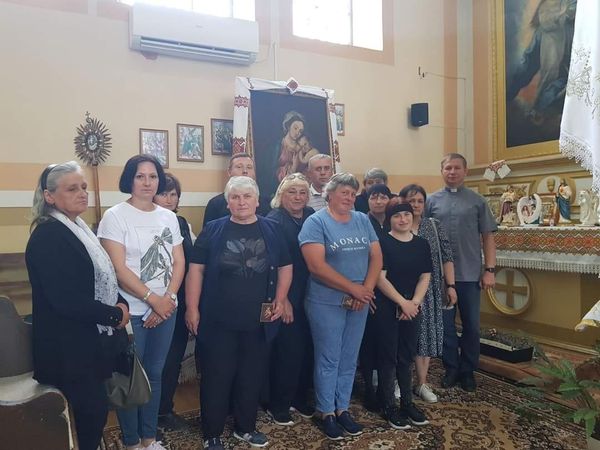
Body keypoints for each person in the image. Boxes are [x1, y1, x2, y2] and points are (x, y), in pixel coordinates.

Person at [25, 161, 130, 450]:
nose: (83, 193)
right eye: (72, 189)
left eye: (83, 187)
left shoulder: (78, 229)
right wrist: (114, 314)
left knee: (93, 412)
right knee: (90, 413)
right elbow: (64, 299)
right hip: (67, 346)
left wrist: (119, 302)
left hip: (87, 342)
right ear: (49, 196)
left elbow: (101, 277)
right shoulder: (48, 235)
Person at [185, 176, 293, 450]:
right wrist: (192, 308)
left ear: (257, 201)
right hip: (218, 320)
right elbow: (196, 270)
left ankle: (245, 428)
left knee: (252, 375)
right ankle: (212, 433)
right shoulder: (213, 230)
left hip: (259, 320)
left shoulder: (273, 229)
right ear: (228, 202)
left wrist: (281, 299)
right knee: (217, 376)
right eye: (235, 197)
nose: (241, 202)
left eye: (247, 196)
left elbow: (285, 266)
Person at [98, 155, 185, 450]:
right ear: (129, 180)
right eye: (140, 176)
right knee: (132, 378)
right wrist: (152, 300)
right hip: (132, 312)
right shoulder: (115, 216)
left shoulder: (168, 217)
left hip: (166, 310)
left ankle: (150, 438)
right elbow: (118, 270)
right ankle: (132, 441)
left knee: (155, 375)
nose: (147, 182)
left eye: (153, 176)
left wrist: (168, 300)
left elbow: (178, 261)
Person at [299, 173, 383, 440]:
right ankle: (326, 412)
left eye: (352, 193)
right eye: (344, 192)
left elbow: (376, 257)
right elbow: (316, 266)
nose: (349, 197)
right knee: (329, 357)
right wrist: (353, 289)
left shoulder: (362, 220)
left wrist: (365, 290)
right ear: (330, 194)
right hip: (326, 301)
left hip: (359, 300)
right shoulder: (316, 222)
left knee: (349, 357)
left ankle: (343, 408)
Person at [425, 153, 497, 393]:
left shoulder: (478, 201)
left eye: (457, 168)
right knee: (446, 326)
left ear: (465, 171)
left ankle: (467, 370)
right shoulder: (431, 201)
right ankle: (451, 368)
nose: (452, 172)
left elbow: (488, 237)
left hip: (469, 274)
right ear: (442, 171)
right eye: (448, 168)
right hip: (440, 277)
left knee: (471, 326)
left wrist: (489, 270)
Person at [375, 202, 432, 429]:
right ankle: (388, 405)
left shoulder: (421, 244)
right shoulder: (382, 242)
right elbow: (380, 278)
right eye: (397, 215)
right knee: (388, 357)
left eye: (406, 214)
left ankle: (407, 403)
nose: (403, 219)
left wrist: (414, 303)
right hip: (388, 305)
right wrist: (402, 303)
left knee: (406, 356)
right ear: (390, 219)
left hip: (413, 306)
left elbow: (425, 276)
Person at [399, 184, 456, 403]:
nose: (415, 205)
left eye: (419, 201)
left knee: (426, 337)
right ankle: (400, 380)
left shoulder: (433, 225)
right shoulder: (397, 223)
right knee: (403, 337)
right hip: (403, 290)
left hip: (430, 291)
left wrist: (451, 286)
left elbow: (447, 256)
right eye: (411, 201)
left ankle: (421, 383)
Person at [266, 173, 315, 425]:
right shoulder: (273, 221)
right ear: (281, 195)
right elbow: (271, 264)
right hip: (287, 294)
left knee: (307, 348)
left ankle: (300, 396)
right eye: (292, 192)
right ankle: (279, 404)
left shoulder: (312, 217)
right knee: (288, 350)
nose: (298, 197)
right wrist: (282, 299)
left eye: (302, 192)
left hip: (312, 291)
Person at [154, 173, 196, 431]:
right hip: (153, 301)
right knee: (155, 362)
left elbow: (192, 262)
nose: (169, 199)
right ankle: (148, 415)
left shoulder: (182, 223)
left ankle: (164, 410)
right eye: (164, 193)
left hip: (179, 300)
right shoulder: (145, 222)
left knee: (172, 359)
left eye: (173, 194)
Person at [358, 183, 393, 411]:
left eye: (383, 197)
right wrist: (366, 290)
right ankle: (368, 389)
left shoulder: (395, 220)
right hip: (367, 289)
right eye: (374, 197)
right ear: (368, 200)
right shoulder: (361, 221)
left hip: (390, 290)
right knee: (367, 342)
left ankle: (385, 388)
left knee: (387, 343)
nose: (379, 201)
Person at [203, 152, 270, 226]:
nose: (245, 171)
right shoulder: (215, 204)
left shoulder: (267, 203)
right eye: (239, 167)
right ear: (229, 172)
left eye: (249, 167)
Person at [276, 111, 305, 182]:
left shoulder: (301, 148)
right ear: (288, 126)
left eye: (300, 131)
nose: (297, 133)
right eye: (295, 128)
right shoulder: (277, 146)